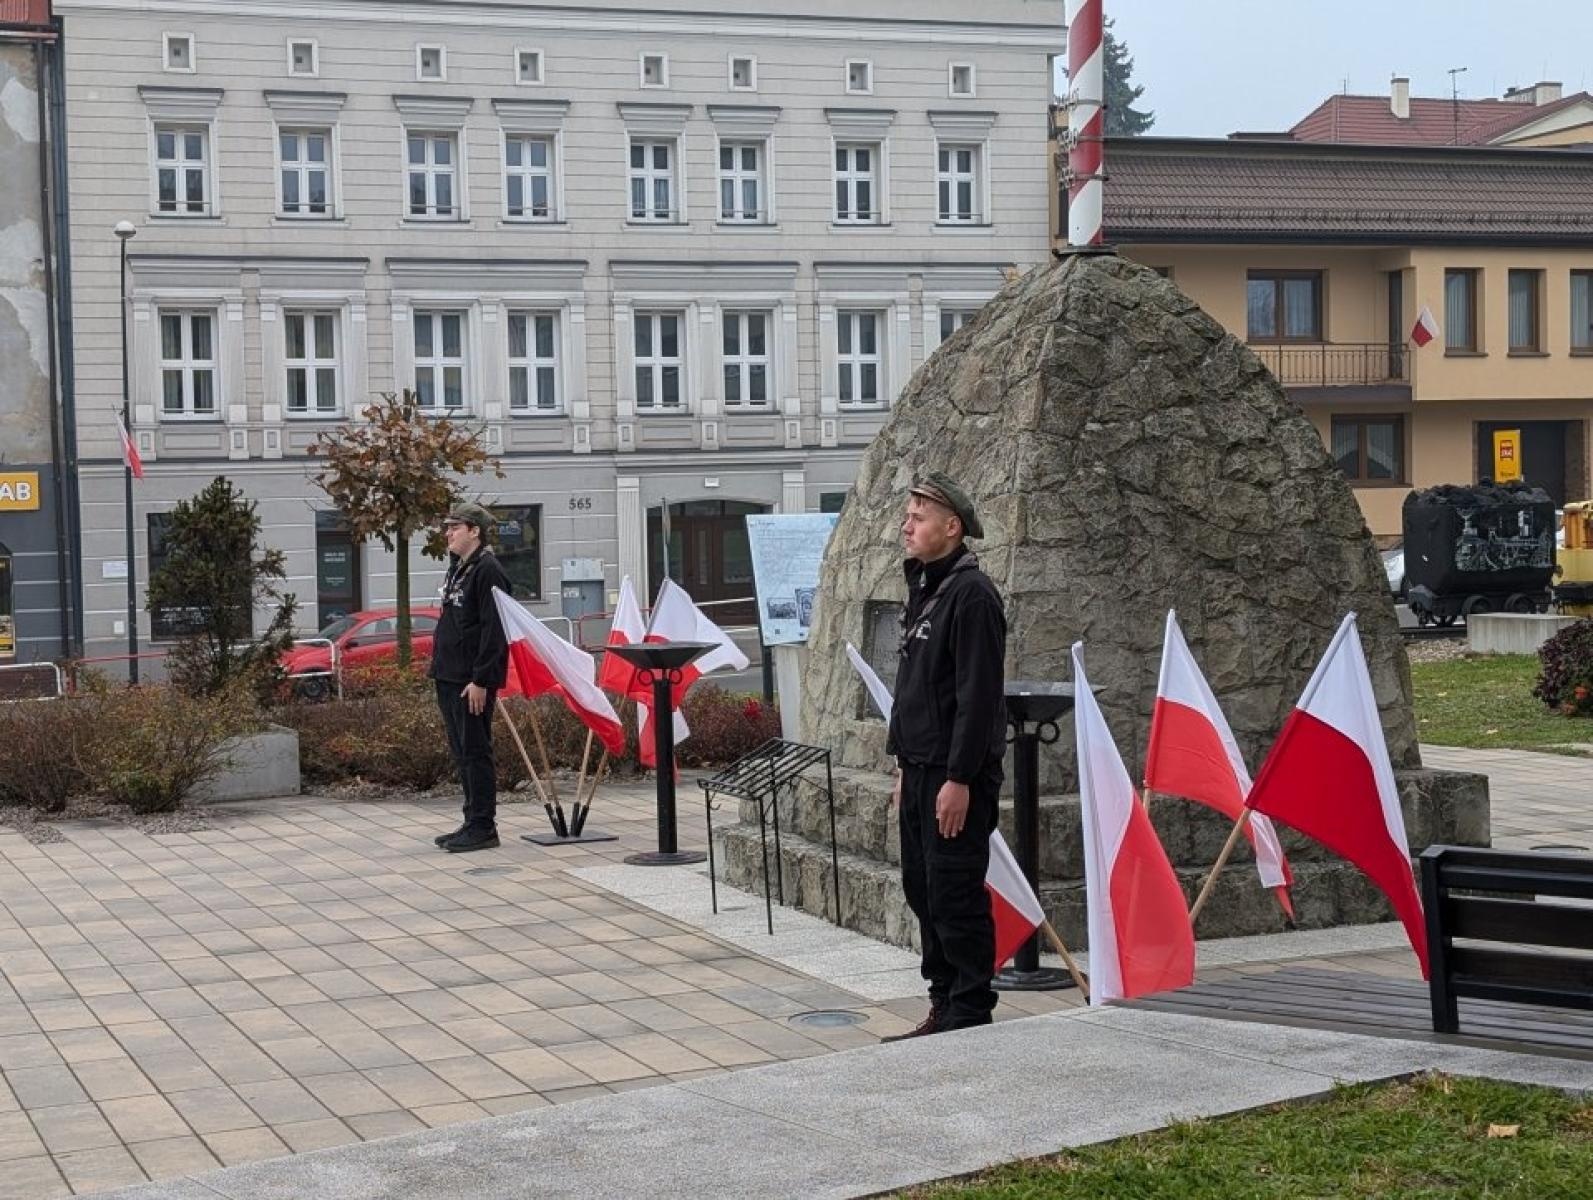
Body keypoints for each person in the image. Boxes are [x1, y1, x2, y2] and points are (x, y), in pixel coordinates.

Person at [883, 473, 1007, 1039]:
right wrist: (903, 766)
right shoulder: (927, 586)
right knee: (922, 887)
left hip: (955, 776)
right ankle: (943, 1002)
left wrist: (958, 778)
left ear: (951, 528)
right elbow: (914, 686)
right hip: (921, 769)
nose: (907, 524)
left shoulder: (971, 595)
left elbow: (977, 699)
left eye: (919, 515)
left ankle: (970, 1011)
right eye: (908, 514)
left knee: (954, 889)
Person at [428, 502, 511, 852]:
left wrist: (481, 679)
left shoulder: (487, 570)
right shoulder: (459, 568)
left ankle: (483, 826)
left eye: (454, 527)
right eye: (447, 527)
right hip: (449, 675)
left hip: (470, 680)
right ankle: (470, 819)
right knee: (461, 751)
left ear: (474, 530)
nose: (447, 533)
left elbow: (495, 630)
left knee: (476, 751)